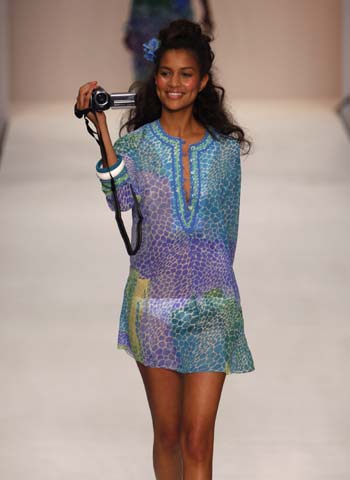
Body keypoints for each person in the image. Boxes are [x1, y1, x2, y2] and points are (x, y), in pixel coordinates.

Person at [75, 19, 255, 480]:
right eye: (166, 73)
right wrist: (103, 131)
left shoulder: (226, 151)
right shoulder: (135, 146)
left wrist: (212, 283)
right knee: (169, 435)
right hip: (152, 305)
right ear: (155, 78)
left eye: (186, 73)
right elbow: (120, 202)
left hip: (213, 305)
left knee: (198, 439)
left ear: (203, 81)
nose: (175, 83)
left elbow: (227, 232)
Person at [123, 0, 214, 81]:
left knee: (180, 56)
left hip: (172, 11)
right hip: (147, 15)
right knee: (147, 67)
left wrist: (207, 12)